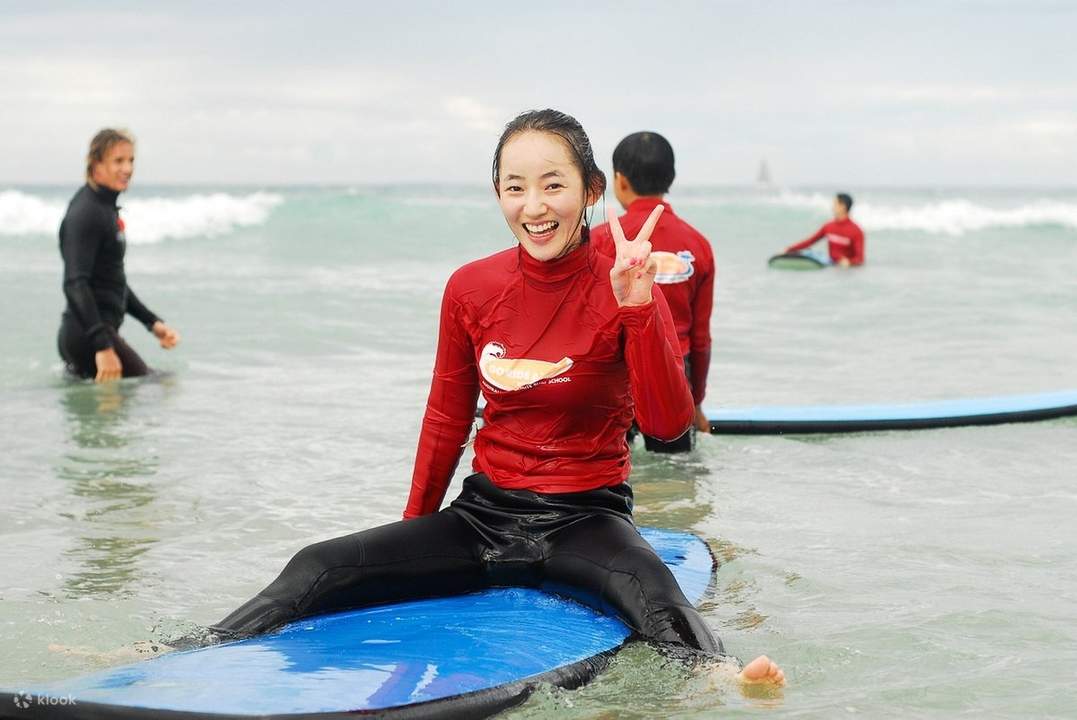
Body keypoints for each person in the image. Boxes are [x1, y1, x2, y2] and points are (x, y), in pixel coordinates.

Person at [208, 110, 784, 686]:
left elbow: (666, 429)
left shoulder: (625, 284)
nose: (533, 207)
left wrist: (637, 308)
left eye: (554, 185)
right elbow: (445, 418)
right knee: (318, 565)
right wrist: (414, 541)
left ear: (593, 191)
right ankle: (187, 651)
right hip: (482, 518)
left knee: (656, 598)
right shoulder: (471, 287)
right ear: (498, 194)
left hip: (587, 519)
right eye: (515, 188)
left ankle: (724, 678)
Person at [591, 132, 715, 452]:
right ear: (670, 177)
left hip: (613, 374)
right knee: (675, 474)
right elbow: (701, 337)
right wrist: (696, 401)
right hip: (676, 373)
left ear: (619, 180)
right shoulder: (697, 244)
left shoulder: (600, 240)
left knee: (614, 467)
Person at [58, 129, 180, 382]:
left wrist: (151, 322)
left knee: (106, 415)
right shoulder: (87, 213)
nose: (127, 169)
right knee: (154, 384)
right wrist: (103, 347)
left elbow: (112, 280)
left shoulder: (104, 209)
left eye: (131, 160)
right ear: (97, 165)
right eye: (118, 161)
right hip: (89, 336)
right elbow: (74, 283)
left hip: (91, 334)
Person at [783, 193, 865, 267]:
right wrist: (789, 249)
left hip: (844, 270)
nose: (832, 207)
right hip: (830, 263)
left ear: (842, 206)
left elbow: (860, 259)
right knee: (808, 253)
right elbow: (810, 241)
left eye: (835, 204)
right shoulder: (829, 226)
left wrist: (849, 262)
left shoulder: (856, 231)